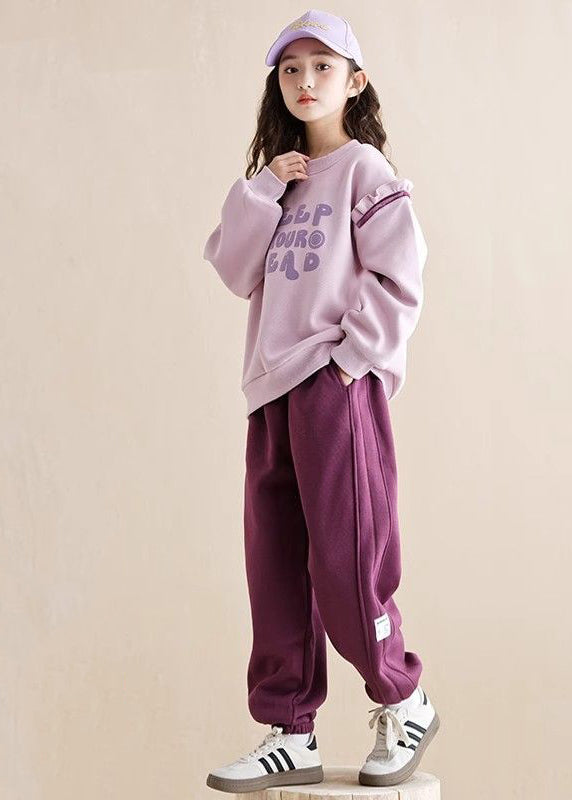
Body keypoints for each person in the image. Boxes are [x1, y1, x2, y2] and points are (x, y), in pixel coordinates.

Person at [202, 9, 439, 794]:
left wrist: (347, 363)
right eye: (292, 69)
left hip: (334, 387)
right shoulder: (278, 180)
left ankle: (402, 697)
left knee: (346, 556)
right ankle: (290, 731)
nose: (306, 81)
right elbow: (235, 270)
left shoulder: (365, 170)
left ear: (355, 81)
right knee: (273, 561)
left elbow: (401, 275)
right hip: (270, 392)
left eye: (323, 67)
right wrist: (267, 187)